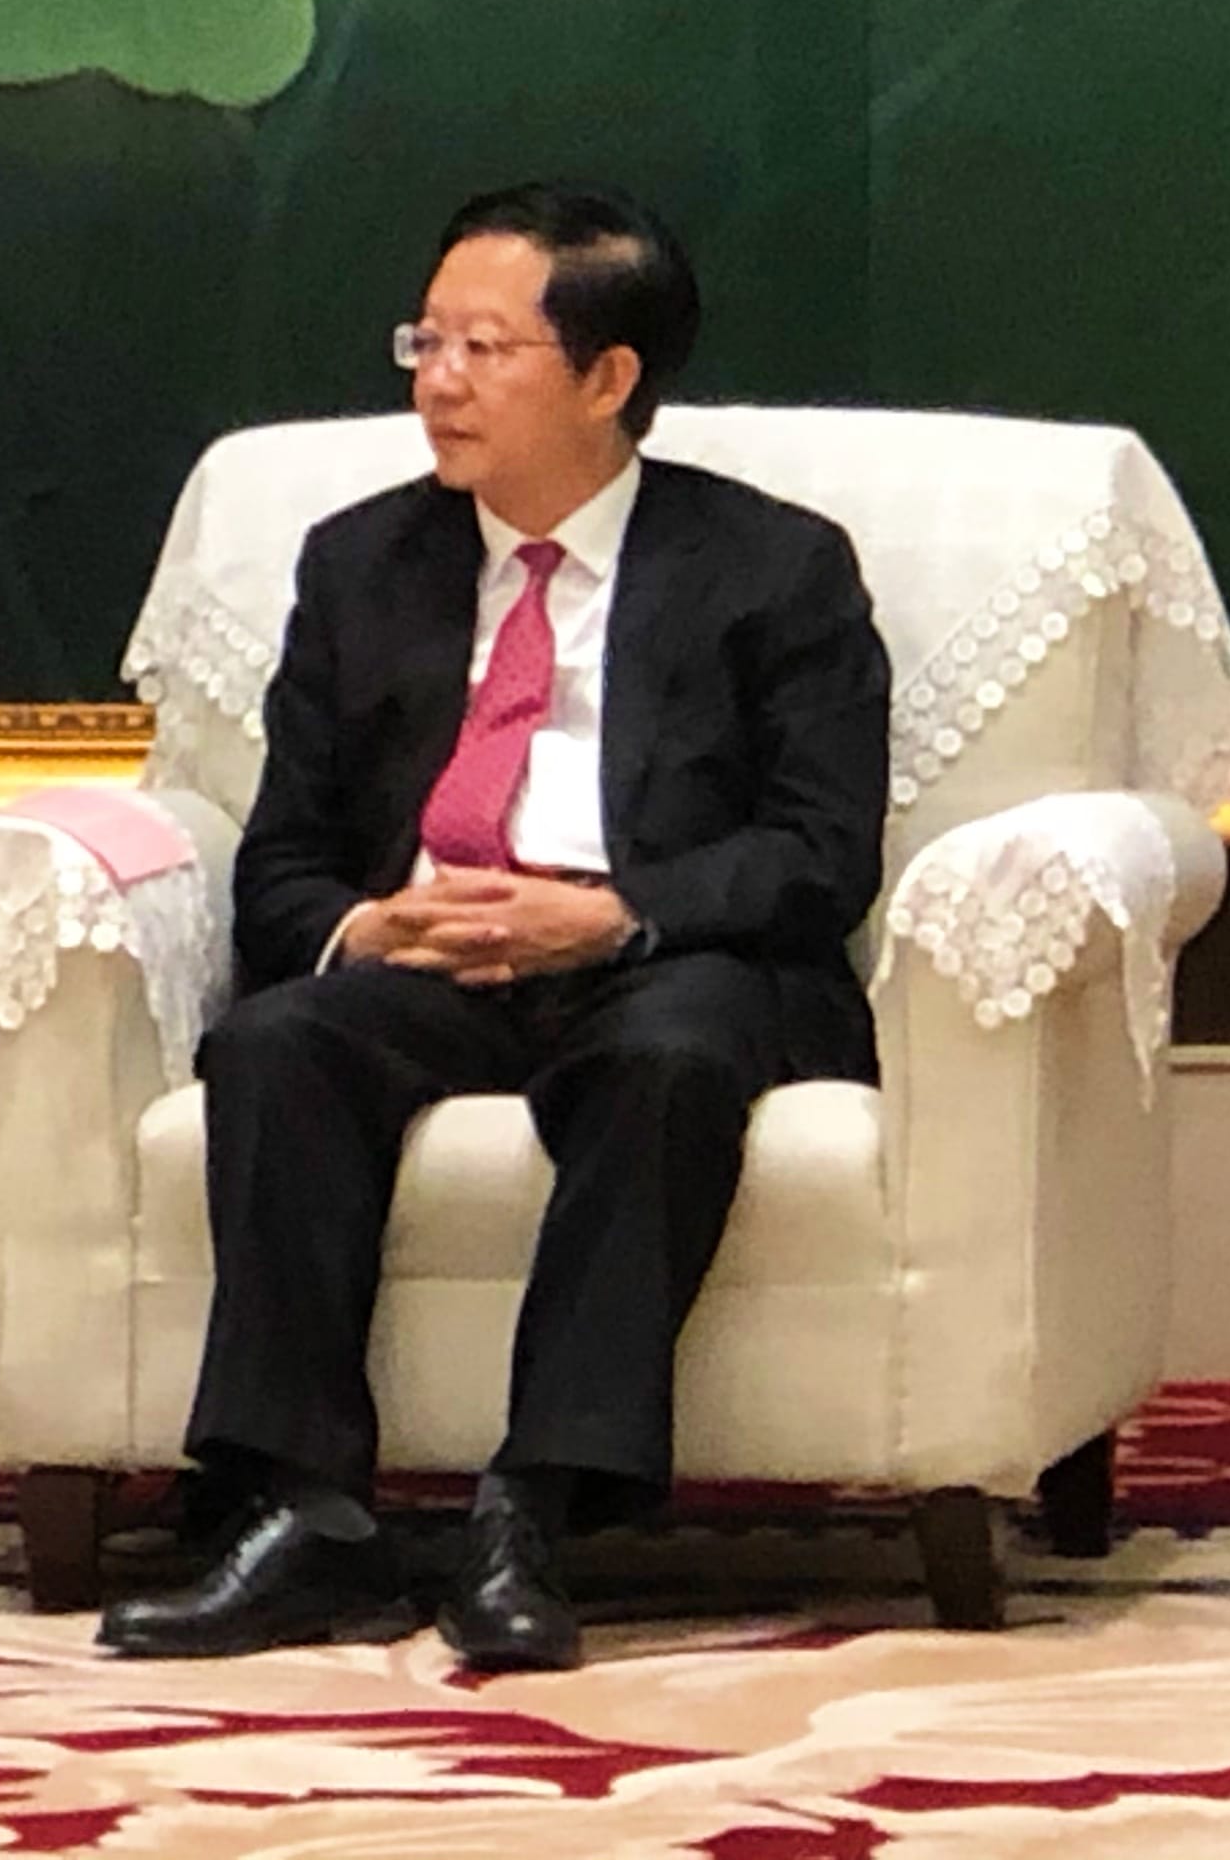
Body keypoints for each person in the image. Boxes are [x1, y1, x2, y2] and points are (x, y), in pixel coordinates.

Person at [98, 183, 887, 1673]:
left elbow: (817, 854)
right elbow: (283, 865)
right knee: (273, 1044)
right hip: (439, 959)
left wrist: (610, 917)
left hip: (663, 959)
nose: (436, 382)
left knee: (669, 1064)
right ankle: (298, 1504)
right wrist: (363, 925)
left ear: (608, 380)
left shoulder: (775, 569)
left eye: (484, 348)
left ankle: (531, 1512)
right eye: (426, 340)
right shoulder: (359, 564)